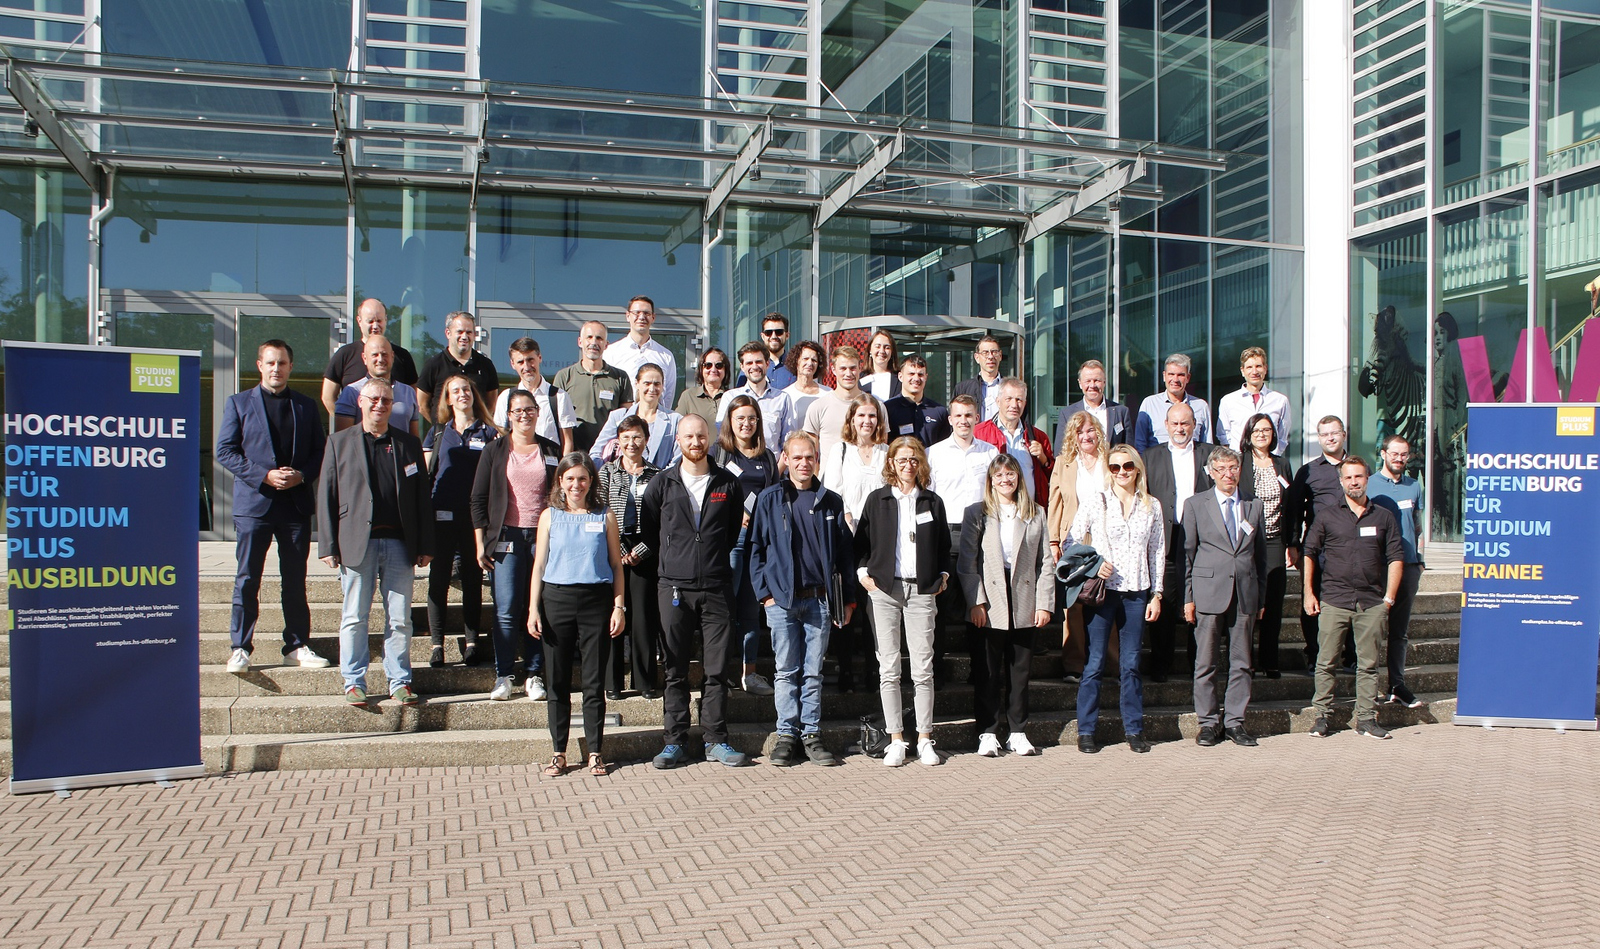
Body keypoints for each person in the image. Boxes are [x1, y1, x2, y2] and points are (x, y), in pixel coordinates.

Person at [316, 378, 433, 707]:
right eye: (374, 400)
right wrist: (327, 545)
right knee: (354, 616)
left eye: (386, 401)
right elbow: (326, 495)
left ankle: (400, 680)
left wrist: (425, 543)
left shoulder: (407, 444)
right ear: (360, 402)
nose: (380, 405)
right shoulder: (339, 442)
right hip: (357, 543)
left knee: (400, 618)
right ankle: (354, 681)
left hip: (399, 543)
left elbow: (422, 497)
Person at [641, 414, 748, 769]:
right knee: (674, 668)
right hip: (674, 588)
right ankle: (674, 741)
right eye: (688, 436)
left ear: (710, 439)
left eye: (701, 436)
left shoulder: (728, 483)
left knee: (716, 669)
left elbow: (732, 531)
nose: (695, 442)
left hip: (716, 587)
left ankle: (715, 739)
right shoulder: (662, 484)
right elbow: (651, 529)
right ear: (679, 441)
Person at [216, 339, 328, 673]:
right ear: (259, 365)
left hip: (293, 506)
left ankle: (296, 645)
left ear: (290, 366)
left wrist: (301, 476)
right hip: (255, 505)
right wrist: (264, 475)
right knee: (248, 578)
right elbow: (225, 451)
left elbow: (321, 454)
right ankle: (240, 647)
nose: (276, 369)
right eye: (270, 363)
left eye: (282, 363)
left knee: (295, 579)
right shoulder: (238, 403)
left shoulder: (306, 407)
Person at [749, 431, 857, 767]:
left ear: (817, 460)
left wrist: (848, 599)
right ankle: (786, 735)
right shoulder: (769, 499)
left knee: (813, 672)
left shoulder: (831, 501)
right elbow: (756, 550)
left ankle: (811, 733)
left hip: (819, 602)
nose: (803, 463)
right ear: (786, 459)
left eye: (809, 457)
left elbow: (845, 555)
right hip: (782, 601)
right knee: (785, 671)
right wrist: (764, 595)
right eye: (796, 457)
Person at [526, 453, 626, 777]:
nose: (576, 485)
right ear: (560, 481)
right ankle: (559, 752)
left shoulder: (605, 515)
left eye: (582, 478)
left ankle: (595, 751)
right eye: (570, 478)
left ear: (591, 482)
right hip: (557, 600)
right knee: (557, 681)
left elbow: (616, 565)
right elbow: (539, 565)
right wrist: (533, 609)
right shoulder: (549, 516)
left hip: (596, 600)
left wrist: (619, 606)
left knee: (594, 681)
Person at [854, 437, 952, 768]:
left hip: (922, 592)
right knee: (889, 668)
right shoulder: (877, 500)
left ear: (920, 464)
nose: (907, 465)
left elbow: (943, 546)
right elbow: (861, 544)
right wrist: (862, 574)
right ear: (891, 463)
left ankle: (924, 738)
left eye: (913, 460)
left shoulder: (931, 502)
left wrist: (942, 575)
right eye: (901, 459)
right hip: (884, 591)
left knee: (923, 668)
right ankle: (896, 738)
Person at [1301, 456, 1405, 740]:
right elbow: (1309, 552)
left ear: (1367, 479)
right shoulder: (1327, 516)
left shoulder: (1383, 516)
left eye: (1358, 477)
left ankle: (1367, 719)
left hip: (1371, 603)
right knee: (1326, 661)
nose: (1354, 482)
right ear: (1341, 481)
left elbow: (1396, 557)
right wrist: (1309, 592)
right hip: (1334, 599)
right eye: (1348, 478)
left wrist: (1389, 599)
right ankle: (1322, 716)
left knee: (1368, 665)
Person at [958, 454, 1055, 758]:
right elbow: (967, 563)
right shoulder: (977, 513)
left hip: (1025, 596)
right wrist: (976, 601)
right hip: (990, 597)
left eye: (1010, 475)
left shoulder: (1036, 513)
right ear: (990, 480)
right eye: (998, 476)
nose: (1005, 480)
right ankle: (987, 732)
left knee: (1020, 670)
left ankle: (1017, 731)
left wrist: (1045, 604)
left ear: (1018, 478)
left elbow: (1046, 563)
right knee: (987, 670)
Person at [1069, 445, 1164, 754]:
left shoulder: (1152, 506)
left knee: (1132, 663)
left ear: (1137, 469)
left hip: (1137, 591)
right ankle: (1086, 730)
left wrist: (1157, 593)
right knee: (1094, 661)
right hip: (1102, 592)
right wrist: (1095, 564)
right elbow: (1072, 539)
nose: (1121, 472)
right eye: (1114, 467)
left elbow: (1157, 551)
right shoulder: (1097, 501)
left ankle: (1134, 729)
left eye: (1127, 466)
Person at [470, 389, 563, 703]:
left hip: (541, 536)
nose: (524, 415)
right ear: (508, 415)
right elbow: (478, 499)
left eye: (530, 410)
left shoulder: (551, 449)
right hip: (506, 537)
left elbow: (561, 495)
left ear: (538, 413)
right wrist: (481, 541)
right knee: (507, 609)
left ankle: (534, 674)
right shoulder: (495, 450)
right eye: (518, 411)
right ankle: (504, 674)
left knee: (537, 607)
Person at [1182, 448, 1267, 748]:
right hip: (1207, 593)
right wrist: (1187, 597)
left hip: (1245, 594)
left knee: (1242, 662)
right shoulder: (1195, 505)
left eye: (1233, 468)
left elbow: (1261, 557)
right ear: (1211, 472)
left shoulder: (1254, 506)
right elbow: (1188, 555)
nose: (1228, 474)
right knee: (1205, 662)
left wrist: (1261, 598)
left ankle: (1235, 722)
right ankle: (1207, 723)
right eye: (1221, 469)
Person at [421, 375, 498, 668]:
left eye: (466, 389)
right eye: (456, 391)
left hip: (475, 519)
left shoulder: (489, 433)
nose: (462, 394)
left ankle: (471, 642)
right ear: (448, 399)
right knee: (438, 579)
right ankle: (436, 644)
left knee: (472, 581)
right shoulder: (437, 433)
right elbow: (427, 477)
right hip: (440, 517)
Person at [925, 394, 999, 688]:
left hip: (982, 534)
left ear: (976, 418)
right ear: (950, 419)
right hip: (948, 532)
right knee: (940, 607)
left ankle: (979, 669)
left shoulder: (990, 453)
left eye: (969, 415)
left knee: (978, 603)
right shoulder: (934, 454)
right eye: (958, 415)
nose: (963, 421)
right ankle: (937, 670)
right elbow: (928, 499)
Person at [1141, 402, 1213, 682]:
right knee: (1166, 604)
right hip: (1166, 540)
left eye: (1185, 423)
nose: (1180, 428)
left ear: (1194, 425)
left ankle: (1200, 665)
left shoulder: (1209, 454)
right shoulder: (1150, 457)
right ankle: (1161, 665)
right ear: (1166, 426)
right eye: (1175, 424)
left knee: (1200, 603)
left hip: (1203, 540)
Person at [714, 394, 781, 696]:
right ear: (730, 421)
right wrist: (734, 510)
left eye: (751, 418)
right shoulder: (719, 453)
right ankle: (722, 675)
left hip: (758, 542)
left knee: (750, 611)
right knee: (725, 608)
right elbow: (709, 494)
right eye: (740, 418)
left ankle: (749, 674)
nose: (746, 423)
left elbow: (774, 496)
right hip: (729, 541)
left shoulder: (766, 457)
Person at [597, 415, 662, 699]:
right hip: (614, 547)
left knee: (644, 618)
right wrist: (619, 550)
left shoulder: (658, 475)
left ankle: (645, 681)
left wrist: (643, 549)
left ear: (646, 440)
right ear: (618, 441)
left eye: (637, 437)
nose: (631, 443)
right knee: (615, 615)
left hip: (647, 548)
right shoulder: (607, 473)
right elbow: (599, 512)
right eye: (626, 437)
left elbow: (664, 519)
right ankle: (613, 682)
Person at [1046, 411, 1110, 683]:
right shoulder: (1064, 463)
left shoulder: (1112, 462)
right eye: (1080, 432)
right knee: (1073, 605)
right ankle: (1073, 665)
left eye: (1090, 430)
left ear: (1098, 433)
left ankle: (1110, 665)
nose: (1086, 436)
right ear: (1072, 437)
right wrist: (1053, 542)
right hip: (1073, 541)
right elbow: (1055, 503)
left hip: (1106, 541)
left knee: (1107, 602)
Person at [1287, 415, 1352, 673]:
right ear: (1319, 439)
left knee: (1350, 602)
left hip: (1352, 551)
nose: (1330, 438)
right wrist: (1292, 544)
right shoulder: (1309, 471)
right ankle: (1314, 654)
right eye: (1324, 435)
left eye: (1335, 433)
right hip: (1318, 550)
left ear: (1344, 434)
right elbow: (1293, 510)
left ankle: (1351, 656)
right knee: (1312, 601)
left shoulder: (1358, 467)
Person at [1365, 434, 1425, 709]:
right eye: (1395, 453)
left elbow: (1418, 524)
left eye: (1404, 454)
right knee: (1373, 629)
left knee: (1400, 632)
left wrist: (1420, 558)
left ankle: (1397, 684)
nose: (1399, 459)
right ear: (1383, 453)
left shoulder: (1414, 486)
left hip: (1409, 564)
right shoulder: (1371, 484)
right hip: (1380, 565)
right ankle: (1368, 689)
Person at [1237, 412, 1292, 679]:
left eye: (1267, 430)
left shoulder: (1282, 465)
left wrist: (1291, 542)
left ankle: (1269, 659)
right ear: (1248, 434)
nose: (1262, 434)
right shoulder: (1240, 462)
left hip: (1274, 540)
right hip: (1246, 540)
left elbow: (1289, 505)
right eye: (1257, 430)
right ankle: (1245, 660)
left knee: (1272, 602)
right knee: (1248, 601)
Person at [321, 297, 418, 416]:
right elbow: (327, 397)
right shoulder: (345, 354)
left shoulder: (402, 355)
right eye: (370, 321)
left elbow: (413, 397)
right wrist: (345, 423)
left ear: (386, 320)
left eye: (379, 320)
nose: (376, 326)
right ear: (359, 321)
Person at [553, 320, 635, 454]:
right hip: (574, 453)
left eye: (599, 338)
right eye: (589, 337)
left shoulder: (620, 377)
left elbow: (626, 419)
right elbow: (556, 419)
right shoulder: (564, 376)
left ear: (606, 345)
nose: (594, 342)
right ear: (580, 342)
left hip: (608, 454)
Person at [974, 377, 1054, 505]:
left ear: (1025, 403)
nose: (1014, 405)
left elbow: (1054, 476)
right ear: (998, 401)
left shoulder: (1039, 437)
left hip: (1029, 512)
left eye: (1019, 400)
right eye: (1009, 399)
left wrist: (1043, 459)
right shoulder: (979, 434)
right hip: (993, 512)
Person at [802, 345, 888, 462]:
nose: (848, 374)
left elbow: (882, 448)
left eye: (853, 368)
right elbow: (811, 453)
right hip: (829, 479)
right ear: (833, 370)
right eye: (843, 368)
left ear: (859, 368)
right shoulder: (818, 407)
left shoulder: (876, 407)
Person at [492, 337, 577, 454]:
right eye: (520, 362)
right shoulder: (505, 398)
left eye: (530, 360)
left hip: (550, 466)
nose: (526, 367)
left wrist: (562, 471)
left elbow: (567, 442)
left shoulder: (559, 397)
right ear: (512, 364)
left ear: (539, 358)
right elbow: (501, 437)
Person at [414, 310, 499, 422]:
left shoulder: (485, 364)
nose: (464, 337)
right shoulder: (434, 364)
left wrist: (481, 425)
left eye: (469, 332)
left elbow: (491, 403)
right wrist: (439, 428)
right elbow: (422, 404)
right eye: (460, 332)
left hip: (476, 436)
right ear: (448, 333)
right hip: (444, 436)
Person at [591, 363, 681, 467]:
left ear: (662, 385)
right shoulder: (618, 417)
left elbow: (677, 460)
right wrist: (605, 477)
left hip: (660, 481)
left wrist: (659, 481)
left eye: (657, 384)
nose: (652, 389)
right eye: (647, 383)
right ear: (637, 383)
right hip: (621, 481)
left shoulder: (675, 420)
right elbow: (596, 452)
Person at [820, 395, 888, 530]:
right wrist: (849, 521)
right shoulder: (840, 450)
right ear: (852, 419)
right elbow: (833, 492)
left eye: (872, 416)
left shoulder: (887, 452)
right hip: (848, 528)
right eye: (861, 415)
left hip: (880, 527)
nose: (867, 421)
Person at [603, 294, 679, 408]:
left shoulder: (666, 355)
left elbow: (668, 397)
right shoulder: (611, 352)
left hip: (656, 420)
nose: (642, 317)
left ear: (653, 317)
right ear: (628, 316)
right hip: (622, 421)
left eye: (646, 313)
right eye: (637, 313)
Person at [333, 335, 420, 435]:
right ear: (364, 358)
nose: (380, 359)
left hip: (400, 450)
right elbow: (343, 439)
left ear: (392, 356)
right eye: (375, 355)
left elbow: (414, 438)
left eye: (384, 354)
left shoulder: (408, 392)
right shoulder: (352, 392)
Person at [1215, 346, 1290, 453]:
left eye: (1258, 366)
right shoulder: (1228, 401)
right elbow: (1224, 436)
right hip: (1240, 462)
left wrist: (1274, 456)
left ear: (1265, 368)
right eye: (1249, 367)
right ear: (1242, 371)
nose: (1254, 371)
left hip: (1269, 462)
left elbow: (1282, 437)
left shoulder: (1280, 400)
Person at [718, 341, 793, 449]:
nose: (754, 367)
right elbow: (723, 436)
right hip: (737, 463)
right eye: (749, 363)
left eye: (758, 362)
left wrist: (775, 466)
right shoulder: (730, 398)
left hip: (772, 464)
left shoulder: (782, 399)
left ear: (767, 364)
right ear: (742, 367)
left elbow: (788, 441)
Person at [1133, 353, 1212, 451]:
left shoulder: (1201, 406)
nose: (1175, 379)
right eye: (1171, 374)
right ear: (1164, 376)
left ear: (1188, 378)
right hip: (1157, 464)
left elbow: (1207, 445)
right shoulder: (1149, 404)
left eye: (1181, 375)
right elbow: (1140, 443)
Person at [1053, 359, 1130, 450]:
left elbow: (1129, 450)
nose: (1092, 385)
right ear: (1080, 383)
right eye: (1088, 381)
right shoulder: (1067, 414)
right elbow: (1060, 451)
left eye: (1097, 380)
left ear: (1104, 382)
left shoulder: (1121, 412)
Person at [883, 354, 950, 447]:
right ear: (900, 376)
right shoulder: (887, 409)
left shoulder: (939, 411)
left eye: (920, 374)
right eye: (911, 374)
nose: (916, 378)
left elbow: (945, 447)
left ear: (926, 377)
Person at [952, 334, 1005, 422]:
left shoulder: (1009, 388)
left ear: (1000, 356)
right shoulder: (963, 388)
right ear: (977, 357)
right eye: (985, 353)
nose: (990, 357)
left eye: (994, 352)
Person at [783, 340, 831, 434]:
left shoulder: (828, 394)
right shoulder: (785, 395)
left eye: (814, 360)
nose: (809, 363)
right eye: (805, 359)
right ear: (796, 361)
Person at [675, 347, 730, 427]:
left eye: (719, 365)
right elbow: (678, 427)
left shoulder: (732, 396)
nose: (713, 369)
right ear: (701, 369)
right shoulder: (688, 396)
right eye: (708, 365)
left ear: (726, 370)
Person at [756, 312, 797, 389]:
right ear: (763, 336)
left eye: (779, 332)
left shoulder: (796, 365)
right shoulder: (752, 366)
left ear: (787, 335)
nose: (773, 336)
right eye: (768, 333)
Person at [860, 330, 901, 401]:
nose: (882, 351)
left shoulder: (900, 379)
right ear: (870, 349)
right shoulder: (860, 378)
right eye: (877, 346)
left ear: (892, 352)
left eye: (887, 347)